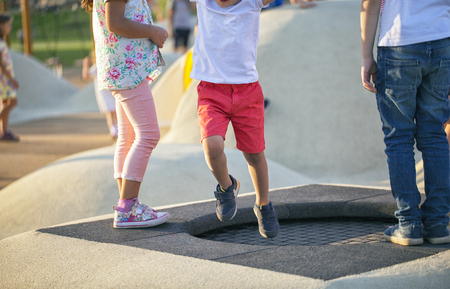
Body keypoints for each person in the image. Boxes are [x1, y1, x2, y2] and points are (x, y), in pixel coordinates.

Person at [361, 0, 450, 246]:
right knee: (434, 135)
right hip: (443, 39)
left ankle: (409, 224)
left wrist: (366, 56)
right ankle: (437, 223)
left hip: (399, 42)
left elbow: (369, 2)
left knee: (399, 138)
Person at [191, 0, 280, 238]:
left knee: (254, 153)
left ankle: (263, 204)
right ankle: (226, 187)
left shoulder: (253, 2)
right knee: (212, 145)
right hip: (211, 91)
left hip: (247, 92)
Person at [82, 0, 170, 228]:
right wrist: (153, 31)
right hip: (126, 69)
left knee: (127, 136)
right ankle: (127, 208)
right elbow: (115, 22)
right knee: (149, 134)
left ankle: (126, 205)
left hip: (122, 68)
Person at [82, 53, 118, 139]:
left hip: (111, 90)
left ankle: (117, 129)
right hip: (104, 91)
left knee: (115, 111)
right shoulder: (98, 66)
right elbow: (86, 76)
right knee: (110, 111)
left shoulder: (108, 63)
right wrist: (85, 65)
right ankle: (114, 130)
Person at [0, 13, 19, 142]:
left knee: (6, 103)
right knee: (13, 102)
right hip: (4, 79)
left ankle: (4, 131)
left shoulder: (2, 41)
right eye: (8, 25)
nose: (10, 28)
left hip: (5, 78)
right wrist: (11, 79)